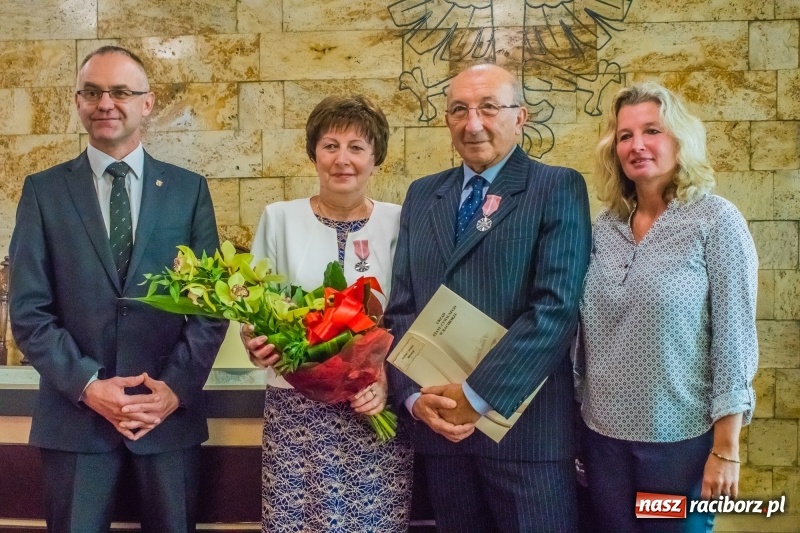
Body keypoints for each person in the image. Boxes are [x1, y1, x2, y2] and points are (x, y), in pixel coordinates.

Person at [9, 46, 228, 533]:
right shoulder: (44, 192)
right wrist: (88, 386)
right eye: (92, 93)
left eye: (120, 92)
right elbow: (28, 311)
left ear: (147, 103)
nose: (105, 103)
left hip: (167, 417)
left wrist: (172, 389)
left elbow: (212, 307)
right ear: (77, 102)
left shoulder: (189, 190)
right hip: (74, 421)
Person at [384, 63, 592, 532]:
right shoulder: (423, 195)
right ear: (446, 120)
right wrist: (414, 398)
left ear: (520, 117)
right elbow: (402, 308)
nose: (473, 123)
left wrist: (476, 397)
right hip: (442, 435)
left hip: (526, 437)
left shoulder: (556, 187)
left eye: (489, 107)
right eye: (459, 110)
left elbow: (555, 310)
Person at [577, 81, 758, 532]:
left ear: (679, 140)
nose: (637, 145)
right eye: (625, 135)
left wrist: (726, 449)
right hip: (601, 440)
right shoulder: (604, 227)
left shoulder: (716, 221)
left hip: (678, 444)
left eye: (652, 131)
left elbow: (734, 341)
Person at [242, 94, 413, 532]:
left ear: (376, 157)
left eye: (356, 147)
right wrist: (255, 342)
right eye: (330, 145)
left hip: (370, 407)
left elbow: (409, 314)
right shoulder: (279, 218)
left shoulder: (400, 222)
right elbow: (257, 310)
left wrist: (387, 380)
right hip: (295, 411)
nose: (342, 159)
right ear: (314, 153)